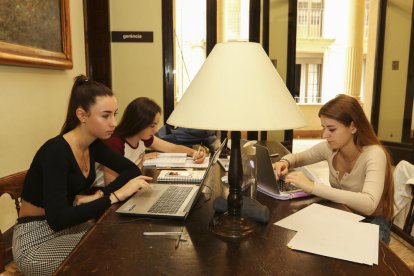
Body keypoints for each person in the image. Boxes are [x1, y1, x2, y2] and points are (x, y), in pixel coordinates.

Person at [12, 75, 152, 275]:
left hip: (68, 228)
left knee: (122, 237)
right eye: (106, 116)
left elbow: (132, 171)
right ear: (82, 115)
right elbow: (57, 219)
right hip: (35, 241)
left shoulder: (93, 144)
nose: (114, 123)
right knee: (111, 254)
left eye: (115, 114)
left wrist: (101, 194)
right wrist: (114, 195)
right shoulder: (56, 151)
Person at [273, 94, 394, 244]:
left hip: (372, 223)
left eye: (331, 129)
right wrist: (284, 161)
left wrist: (313, 187)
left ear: (353, 126)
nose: (325, 135)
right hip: (344, 215)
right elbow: (298, 158)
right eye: (323, 128)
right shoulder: (329, 148)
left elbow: (369, 205)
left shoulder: (374, 154)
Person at [94, 97, 206, 187]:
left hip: (130, 185)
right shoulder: (115, 143)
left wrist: (193, 153)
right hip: (103, 194)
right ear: (138, 123)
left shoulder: (143, 137)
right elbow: (111, 185)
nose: (155, 130)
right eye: (152, 125)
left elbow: (173, 148)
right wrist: (138, 162)